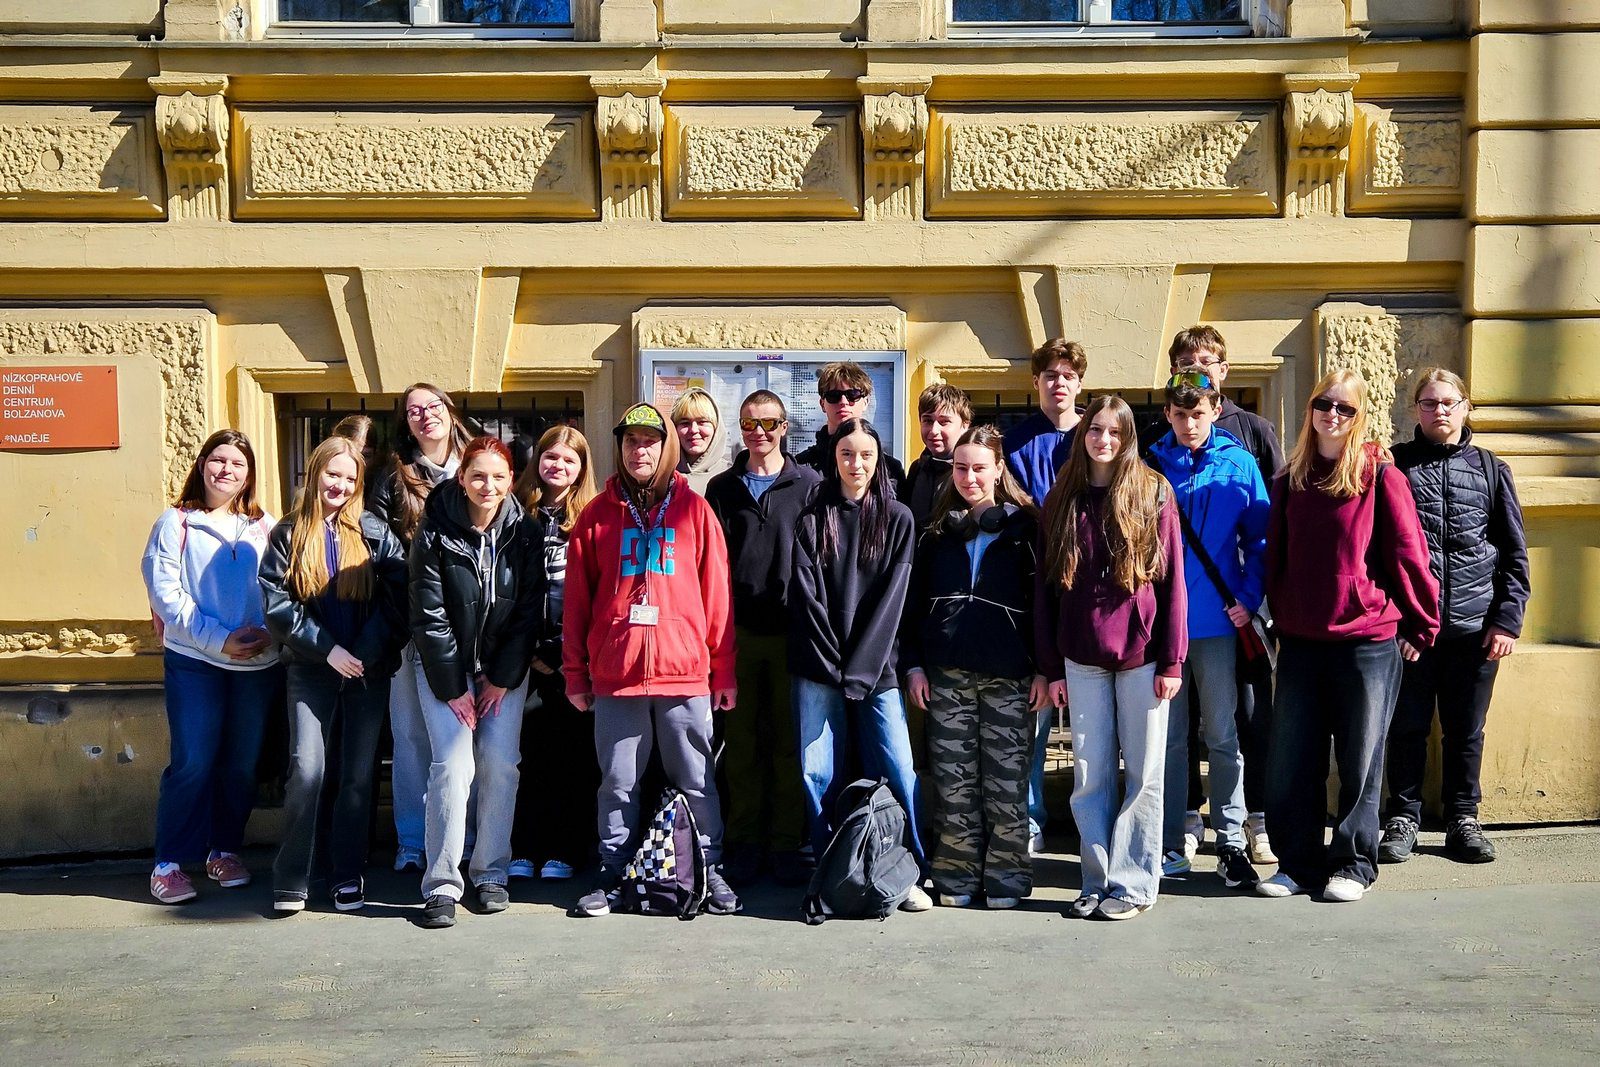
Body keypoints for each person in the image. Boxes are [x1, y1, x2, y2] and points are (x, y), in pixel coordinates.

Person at [1256, 370, 1439, 904]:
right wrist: (1282, 616)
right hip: (1302, 640)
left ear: (1360, 417)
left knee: (1360, 759)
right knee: (1293, 758)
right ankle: (1298, 865)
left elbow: (1408, 554)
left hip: (1366, 641)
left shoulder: (1380, 476)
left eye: (1345, 408)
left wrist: (1421, 623)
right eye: (1323, 404)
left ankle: (1354, 864)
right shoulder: (1290, 478)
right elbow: (1276, 558)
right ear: (1310, 409)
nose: (1332, 415)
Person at [564, 403, 741, 918]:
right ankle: (612, 872)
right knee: (618, 783)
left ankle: (709, 867)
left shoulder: (695, 511)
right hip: (616, 676)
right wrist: (576, 673)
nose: (639, 450)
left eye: (650, 441)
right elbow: (577, 602)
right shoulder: (596, 515)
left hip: (685, 673)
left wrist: (723, 671)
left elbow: (717, 597)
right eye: (630, 441)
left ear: (667, 449)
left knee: (697, 779)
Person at [1139, 326, 1286, 866]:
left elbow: (1262, 539)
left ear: (1215, 409)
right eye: (1180, 414)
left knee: (1223, 734)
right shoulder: (1149, 465)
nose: (1189, 423)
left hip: (1221, 623)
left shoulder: (1239, 462)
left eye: (1198, 413)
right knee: (1171, 739)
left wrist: (1249, 596)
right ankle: (1172, 837)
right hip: (1163, 626)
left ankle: (1230, 836)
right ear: (1168, 414)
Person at [1036, 396, 1186, 921]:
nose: (1103, 440)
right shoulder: (1062, 497)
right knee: (1090, 776)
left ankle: (1135, 883)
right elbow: (1047, 590)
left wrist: (1172, 660)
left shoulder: (1154, 492)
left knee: (1143, 775)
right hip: (1080, 657)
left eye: (1114, 432)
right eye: (1095, 430)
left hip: (1143, 657)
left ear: (1127, 438)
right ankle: (1095, 880)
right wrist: (1050, 667)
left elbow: (1172, 583)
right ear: (1083, 436)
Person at [1380, 369, 1530, 865]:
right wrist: (1397, 621)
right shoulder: (1395, 466)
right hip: (1411, 633)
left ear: (1466, 407)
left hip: (1476, 631)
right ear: (1415, 409)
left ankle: (1463, 819)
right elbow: (1378, 553)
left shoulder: (1491, 468)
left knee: (1465, 731)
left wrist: (1507, 620)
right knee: (1406, 727)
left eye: (1448, 402)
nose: (1439, 411)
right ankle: (1402, 818)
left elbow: (1513, 552)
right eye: (1429, 403)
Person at [259, 436, 408, 913]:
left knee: (357, 777)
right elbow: (278, 605)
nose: (339, 485)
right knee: (307, 770)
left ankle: (347, 874)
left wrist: (361, 652)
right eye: (332, 474)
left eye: (349, 477)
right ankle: (292, 877)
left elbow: (399, 598)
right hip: (311, 670)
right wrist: (329, 651)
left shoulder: (373, 530)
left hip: (366, 671)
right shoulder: (287, 533)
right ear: (314, 472)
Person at [790, 418, 932, 913]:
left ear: (878, 460)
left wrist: (861, 670)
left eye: (866, 454)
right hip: (819, 667)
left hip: (878, 669)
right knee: (816, 774)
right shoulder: (812, 520)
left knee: (898, 768)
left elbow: (893, 602)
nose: (856, 464)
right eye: (846, 454)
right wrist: (833, 665)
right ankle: (833, 872)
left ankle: (908, 871)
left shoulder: (898, 519)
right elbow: (806, 600)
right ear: (833, 459)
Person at [902, 425, 1045, 909]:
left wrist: (1044, 669)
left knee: (1006, 784)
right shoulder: (937, 533)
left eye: (979, 468)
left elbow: (1044, 606)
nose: (969, 477)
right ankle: (956, 876)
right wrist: (914, 665)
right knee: (953, 783)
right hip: (947, 676)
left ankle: (1007, 878)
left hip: (1010, 676)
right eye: (961, 468)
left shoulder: (1026, 530)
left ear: (998, 469)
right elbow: (913, 607)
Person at [409, 435, 545, 929]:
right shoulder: (434, 531)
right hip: (444, 668)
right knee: (452, 766)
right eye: (478, 475)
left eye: (499, 476)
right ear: (462, 478)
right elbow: (428, 614)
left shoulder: (525, 532)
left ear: (511, 481)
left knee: (500, 763)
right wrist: (454, 687)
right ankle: (442, 884)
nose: (488, 485)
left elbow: (528, 611)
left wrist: (501, 678)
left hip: (502, 671)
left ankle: (490, 872)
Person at [141, 430, 281, 905]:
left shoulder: (264, 526)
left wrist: (272, 633)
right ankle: (169, 863)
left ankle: (223, 851)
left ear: (249, 474)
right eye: (218, 460)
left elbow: (283, 587)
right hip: (196, 661)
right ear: (202, 464)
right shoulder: (176, 522)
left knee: (241, 767)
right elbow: (166, 593)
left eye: (238, 464)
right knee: (193, 762)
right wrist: (218, 639)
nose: (226, 470)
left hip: (256, 665)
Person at [704, 390, 822, 887]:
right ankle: (746, 842)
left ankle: (786, 844)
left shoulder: (810, 484)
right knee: (741, 745)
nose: (759, 433)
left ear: (784, 427)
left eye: (769, 424)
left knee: (789, 744)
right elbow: (710, 565)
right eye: (750, 424)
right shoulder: (722, 488)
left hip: (794, 635)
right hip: (738, 635)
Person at [367, 383, 474, 873]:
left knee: (463, 742)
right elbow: (372, 531)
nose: (425, 415)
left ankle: (463, 839)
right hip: (409, 623)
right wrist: (413, 571)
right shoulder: (394, 474)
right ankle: (412, 839)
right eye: (414, 411)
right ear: (406, 424)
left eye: (432, 406)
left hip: (469, 625)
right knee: (410, 736)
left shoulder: (477, 463)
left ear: (449, 412)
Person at [1002, 338, 1088, 855]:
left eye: (1067, 375)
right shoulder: (1014, 444)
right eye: (1050, 375)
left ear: (1080, 383)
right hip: (1034, 586)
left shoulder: (1097, 435)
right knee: (1034, 713)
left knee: (1093, 717)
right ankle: (1031, 815)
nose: (1058, 383)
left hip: (1091, 591)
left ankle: (1092, 818)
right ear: (1035, 382)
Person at [507, 425, 601, 882]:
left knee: (573, 754)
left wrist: (572, 653)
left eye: (569, 459)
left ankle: (566, 847)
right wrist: (527, 650)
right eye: (551, 457)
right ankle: (525, 845)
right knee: (527, 754)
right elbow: (503, 589)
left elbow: (602, 590)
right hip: (524, 656)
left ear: (581, 468)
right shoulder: (514, 514)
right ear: (537, 461)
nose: (558, 466)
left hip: (576, 657)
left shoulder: (594, 516)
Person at [794, 361, 907, 495]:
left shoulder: (890, 469)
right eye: (834, 396)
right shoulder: (801, 466)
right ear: (822, 404)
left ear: (866, 402)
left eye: (853, 394)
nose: (843, 402)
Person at [902, 383, 973, 528]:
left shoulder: (973, 473)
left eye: (944, 422)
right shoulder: (917, 469)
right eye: (928, 421)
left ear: (965, 425)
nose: (934, 430)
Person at [672, 386, 731, 494]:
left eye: (702, 422)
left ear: (716, 428)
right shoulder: (661, 476)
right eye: (685, 423)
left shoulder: (733, 477)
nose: (694, 430)